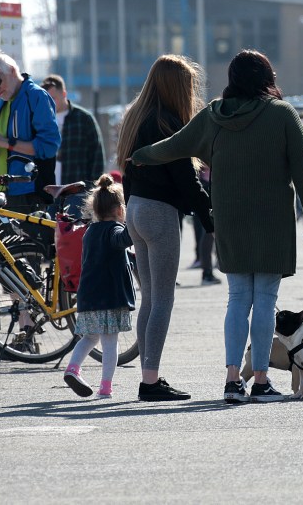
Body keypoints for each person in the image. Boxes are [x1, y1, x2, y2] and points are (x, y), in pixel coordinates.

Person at [132, 50, 303, 403]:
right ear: (268, 77)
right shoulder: (283, 114)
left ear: (233, 79)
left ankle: (234, 379)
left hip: (230, 218)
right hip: (272, 220)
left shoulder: (213, 115)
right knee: (265, 301)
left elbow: (173, 147)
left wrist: (141, 155)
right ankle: (261, 380)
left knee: (237, 299)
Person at [117, 54, 214, 402]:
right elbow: (186, 179)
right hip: (159, 214)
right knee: (163, 300)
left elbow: (126, 172)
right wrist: (209, 218)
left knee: (150, 299)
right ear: (177, 87)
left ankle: (148, 374)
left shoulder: (135, 117)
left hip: (137, 209)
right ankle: (150, 381)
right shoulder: (167, 122)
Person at [0, 53, 61, 217]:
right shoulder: (1, 100)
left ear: (12, 71)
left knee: (24, 242)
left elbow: (48, 147)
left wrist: (4, 142)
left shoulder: (36, 97)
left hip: (27, 193)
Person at [62, 175, 135, 399]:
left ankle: (73, 368)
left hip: (89, 296)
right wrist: (135, 223)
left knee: (90, 337)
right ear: (120, 210)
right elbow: (122, 240)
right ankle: (106, 387)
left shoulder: (90, 232)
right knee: (109, 341)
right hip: (109, 297)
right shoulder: (113, 230)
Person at [40, 74, 106, 187]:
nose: (49, 103)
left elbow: (97, 157)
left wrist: (92, 188)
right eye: (46, 99)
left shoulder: (84, 118)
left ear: (64, 94)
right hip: (48, 190)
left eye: (53, 98)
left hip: (77, 189)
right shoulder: (40, 121)